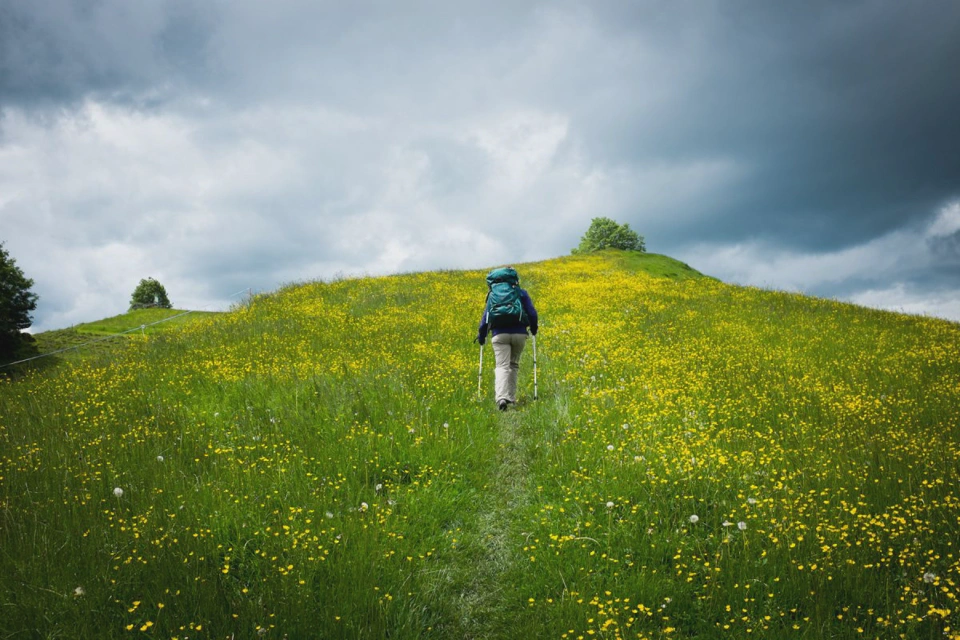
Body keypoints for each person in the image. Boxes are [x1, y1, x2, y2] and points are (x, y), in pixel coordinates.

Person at [476, 267, 538, 410]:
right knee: (513, 365)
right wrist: (533, 328)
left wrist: (482, 335)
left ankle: (501, 397)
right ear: (514, 279)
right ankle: (510, 397)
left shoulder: (492, 295)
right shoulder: (520, 293)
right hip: (520, 334)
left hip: (499, 335)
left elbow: (486, 318)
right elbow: (532, 313)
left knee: (502, 366)